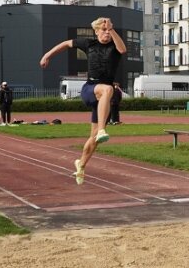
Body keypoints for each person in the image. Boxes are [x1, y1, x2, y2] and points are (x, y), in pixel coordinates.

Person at [39, 17, 127, 185]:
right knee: (108, 89)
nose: (106, 33)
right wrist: (47, 55)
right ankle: (102, 129)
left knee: (93, 138)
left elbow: (122, 50)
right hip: (90, 89)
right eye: (103, 30)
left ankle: (81, 164)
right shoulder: (89, 44)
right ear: (96, 31)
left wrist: (113, 29)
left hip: (104, 99)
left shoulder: (115, 47)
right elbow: (65, 44)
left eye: (108, 30)